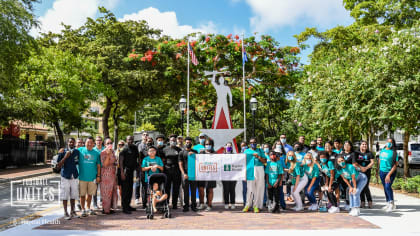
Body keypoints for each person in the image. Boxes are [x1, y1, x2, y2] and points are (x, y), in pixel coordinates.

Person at [56, 138, 80, 220]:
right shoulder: (62, 152)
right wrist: (65, 157)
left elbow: (78, 162)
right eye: (70, 142)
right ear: (67, 143)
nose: (71, 143)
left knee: (73, 194)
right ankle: (65, 212)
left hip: (74, 176)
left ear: (74, 143)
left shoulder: (77, 152)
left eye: (73, 142)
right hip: (65, 176)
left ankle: (72, 211)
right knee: (65, 195)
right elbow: (58, 165)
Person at [77, 137, 101, 217]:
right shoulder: (80, 150)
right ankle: (83, 209)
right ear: (85, 143)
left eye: (91, 142)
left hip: (92, 177)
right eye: (88, 142)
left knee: (90, 194)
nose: (89, 144)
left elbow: (98, 166)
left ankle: (88, 208)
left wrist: (98, 176)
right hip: (82, 177)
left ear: (93, 144)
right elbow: (72, 152)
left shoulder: (96, 153)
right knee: (82, 195)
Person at [242, 137, 266, 213]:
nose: (253, 144)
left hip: (259, 169)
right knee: (250, 189)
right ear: (249, 144)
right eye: (251, 143)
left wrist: (258, 156)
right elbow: (243, 163)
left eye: (254, 142)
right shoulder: (246, 151)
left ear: (257, 143)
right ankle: (247, 205)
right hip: (250, 170)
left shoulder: (260, 151)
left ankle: (256, 205)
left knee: (259, 188)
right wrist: (244, 174)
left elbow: (265, 161)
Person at [118, 136, 139, 214]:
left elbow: (137, 159)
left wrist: (138, 171)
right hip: (125, 171)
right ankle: (124, 207)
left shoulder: (135, 148)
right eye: (129, 139)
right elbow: (120, 162)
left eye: (131, 139)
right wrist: (122, 173)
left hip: (132, 171)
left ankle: (128, 205)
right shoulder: (124, 149)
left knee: (130, 189)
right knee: (125, 190)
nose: (130, 141)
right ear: (126, 140)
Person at [378, 138, 398, 212]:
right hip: (382, 172)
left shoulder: (394, 153)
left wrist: (389, 175)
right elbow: (379, 160)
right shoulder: (382, 151)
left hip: (390, 172)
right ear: (385, 142)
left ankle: (391, 203)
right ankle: (387, 203)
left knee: (387, 186)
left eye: (391, 142)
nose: (389, 143)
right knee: (385, 187)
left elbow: (395, 165)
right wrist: (378, 170)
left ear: (393, 144)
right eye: (388, 142)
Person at [178, 137, 198, 212]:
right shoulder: (181, 152)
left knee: (193, 191)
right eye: (187, 142)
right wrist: (183, 174)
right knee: (185, 191)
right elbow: (180, 164)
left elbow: (199, 162)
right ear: (184, 143)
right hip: (185, 174)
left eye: (189, 142)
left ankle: (193, 206)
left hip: (193, 174)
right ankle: (186, 206)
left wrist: (194, 155)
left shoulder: (195, 151)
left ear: (191, 143)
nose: (188, 143)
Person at [163, 135, 182, 209]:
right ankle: (166, 202)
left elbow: (181, 160)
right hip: (167, 170)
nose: (173, 142)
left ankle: (174, 204)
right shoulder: (165, 149)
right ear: (169, 141)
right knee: (167, 187)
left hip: (176, 170)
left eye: (174, 140)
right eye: (171, 140)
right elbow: (163, 160)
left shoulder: (179, 150)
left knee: (176, 188)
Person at [354, 140, 374, 208]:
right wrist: (361, 167)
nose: (364, 146)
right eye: (363, 144)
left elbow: (372, 162)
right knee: (360, 186)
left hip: (367, 171)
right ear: (360, 145)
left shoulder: (369, 153)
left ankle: (369, 201)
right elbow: (354, 161)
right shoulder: (356, 153)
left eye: (365, 144)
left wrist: (366, 168)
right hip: (359, 171)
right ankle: (362, 201)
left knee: (365, 186)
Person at [100, 138, 118, 214]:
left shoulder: (113, 151)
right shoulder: (103, 152)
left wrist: (115, 164)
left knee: (112, 192)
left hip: (112, 174)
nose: (109, 144)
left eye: (110, 143)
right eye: (107, 143)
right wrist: (108, 154)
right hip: (105, 175)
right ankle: (105, 209)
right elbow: (105, 164)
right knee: (106, 193)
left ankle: (110, 208)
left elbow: (113, 161)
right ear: (104, 145)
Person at [197, 139, 216, 211]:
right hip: (202, 174)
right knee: (201, 189)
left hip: (211, 174)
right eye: (206, 144)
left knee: (210, 189)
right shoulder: (201, 153)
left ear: (212, 145)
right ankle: (201, 204)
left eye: (209, 144)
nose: (208, 146)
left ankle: (209, 205)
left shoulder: (215, 154)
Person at [139, 136, 154, 208]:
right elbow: (139, 160)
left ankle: (153, 203)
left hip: (154, 171)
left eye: (150, 141)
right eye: (148, 141)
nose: (149, 142)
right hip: (144, 171)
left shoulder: (155, 150)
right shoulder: (142, 150)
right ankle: (144, 203)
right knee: (144, 188)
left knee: (153, 188)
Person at [135, 132, 149, 205]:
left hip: (146, 166)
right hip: (139, 167)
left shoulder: (149, 145)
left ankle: (145, 199)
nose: (145, 136)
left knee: (145, 183)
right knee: (138, 182)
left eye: (146, 135)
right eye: (144, 135)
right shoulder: (138, 145)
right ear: (141, 136)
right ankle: (137, 197)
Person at [222, 142, 237, 209]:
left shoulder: (235, 155)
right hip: (225, 175)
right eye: (228, 146)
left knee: (232, 190)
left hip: (233, 175)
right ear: (225, 147)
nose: (229, 147)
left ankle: (233, 203)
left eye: (230, 146)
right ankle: (226, 203)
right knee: (226, 190)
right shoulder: (222, 156)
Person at [92, 136, 105, 209]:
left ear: (102, 141)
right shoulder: (93, 150)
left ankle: (102, 202)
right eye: (97, 140)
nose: (99, 142)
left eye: (100, 140)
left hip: (104, 172)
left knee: (103, 188)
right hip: (95, 172)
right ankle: (94, 203)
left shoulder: (104, 149)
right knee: (95, 188)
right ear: (95, 142)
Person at [240, 141, 248, 206]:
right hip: (243, 174)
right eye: (242, 146)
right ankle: (245, 202)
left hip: (250, 173)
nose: (244, 147)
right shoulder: (240, 154)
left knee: (251, 189)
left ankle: (250, 203)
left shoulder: (250, 153)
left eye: (244, 145)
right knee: (245, 189)